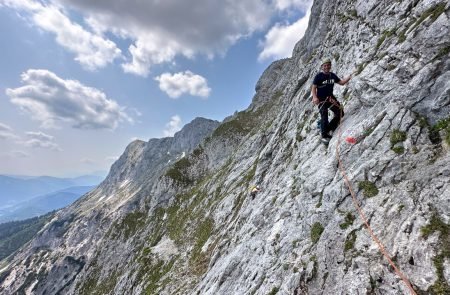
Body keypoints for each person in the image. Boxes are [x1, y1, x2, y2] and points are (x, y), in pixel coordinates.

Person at [311, 58, 352, 144]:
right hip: (321, 100)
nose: (326, 67)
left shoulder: (332, 76)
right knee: (324, 114)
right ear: (322, 67)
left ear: (330, 66)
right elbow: (313, 87)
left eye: (328, 65)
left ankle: (329, 128)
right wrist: (315, 97)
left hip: (330, 98)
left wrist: (350, 77)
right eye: (325, 65)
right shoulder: (318, 76)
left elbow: (341, 82)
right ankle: (324, 135)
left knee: (340, 112)